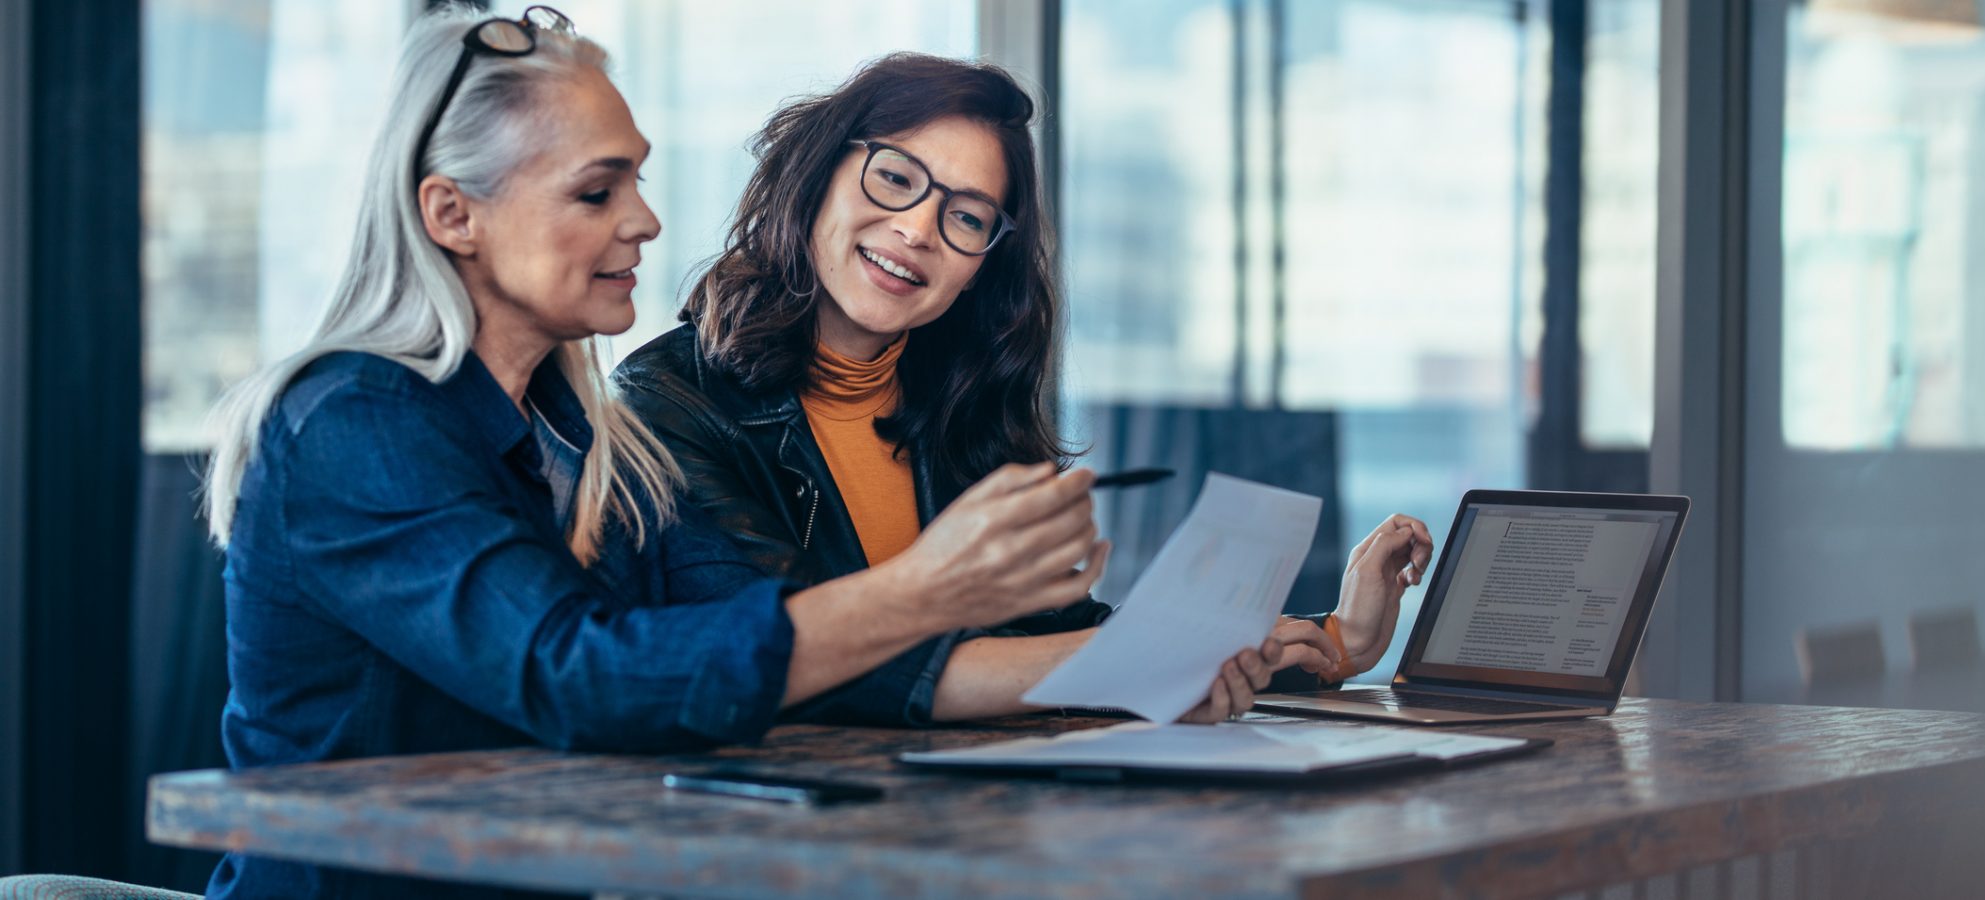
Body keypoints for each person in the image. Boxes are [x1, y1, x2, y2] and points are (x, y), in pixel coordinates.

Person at [196, 8, 1287, 898]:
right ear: (452, 215)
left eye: (636, 181)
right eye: (596, 191)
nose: (648, 222)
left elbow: (738, 641)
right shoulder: (353, 423)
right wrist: (927, 587)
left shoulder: (580, 434)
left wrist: (1164, 663)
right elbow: (583, 679)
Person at [614, 53, 1435, 721]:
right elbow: (797, 659)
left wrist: (1334, 640)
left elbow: (1053, 638)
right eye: (895, 178)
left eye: (967, 217)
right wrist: (1149, 662)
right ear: (818, 175)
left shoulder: (959, 409)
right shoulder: (665, 406)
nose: (918, 230)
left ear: (981, 268)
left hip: (962, 827)